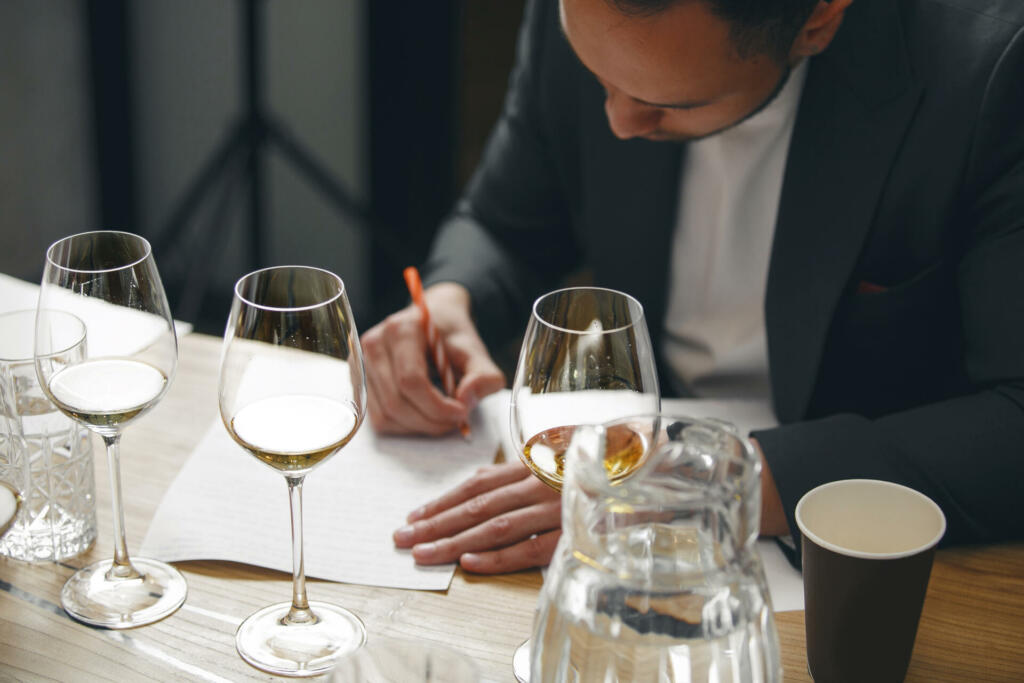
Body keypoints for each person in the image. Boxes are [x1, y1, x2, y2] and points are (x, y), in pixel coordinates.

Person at [361, 0, 1024, 574]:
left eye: (664, 103)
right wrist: (452, 299)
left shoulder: (991, 72)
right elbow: (506, 223)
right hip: (619, 493)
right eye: (597, 76)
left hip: (862, 554)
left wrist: (716, 479)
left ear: (818, 18)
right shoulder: (590, 18)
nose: (617, 121)